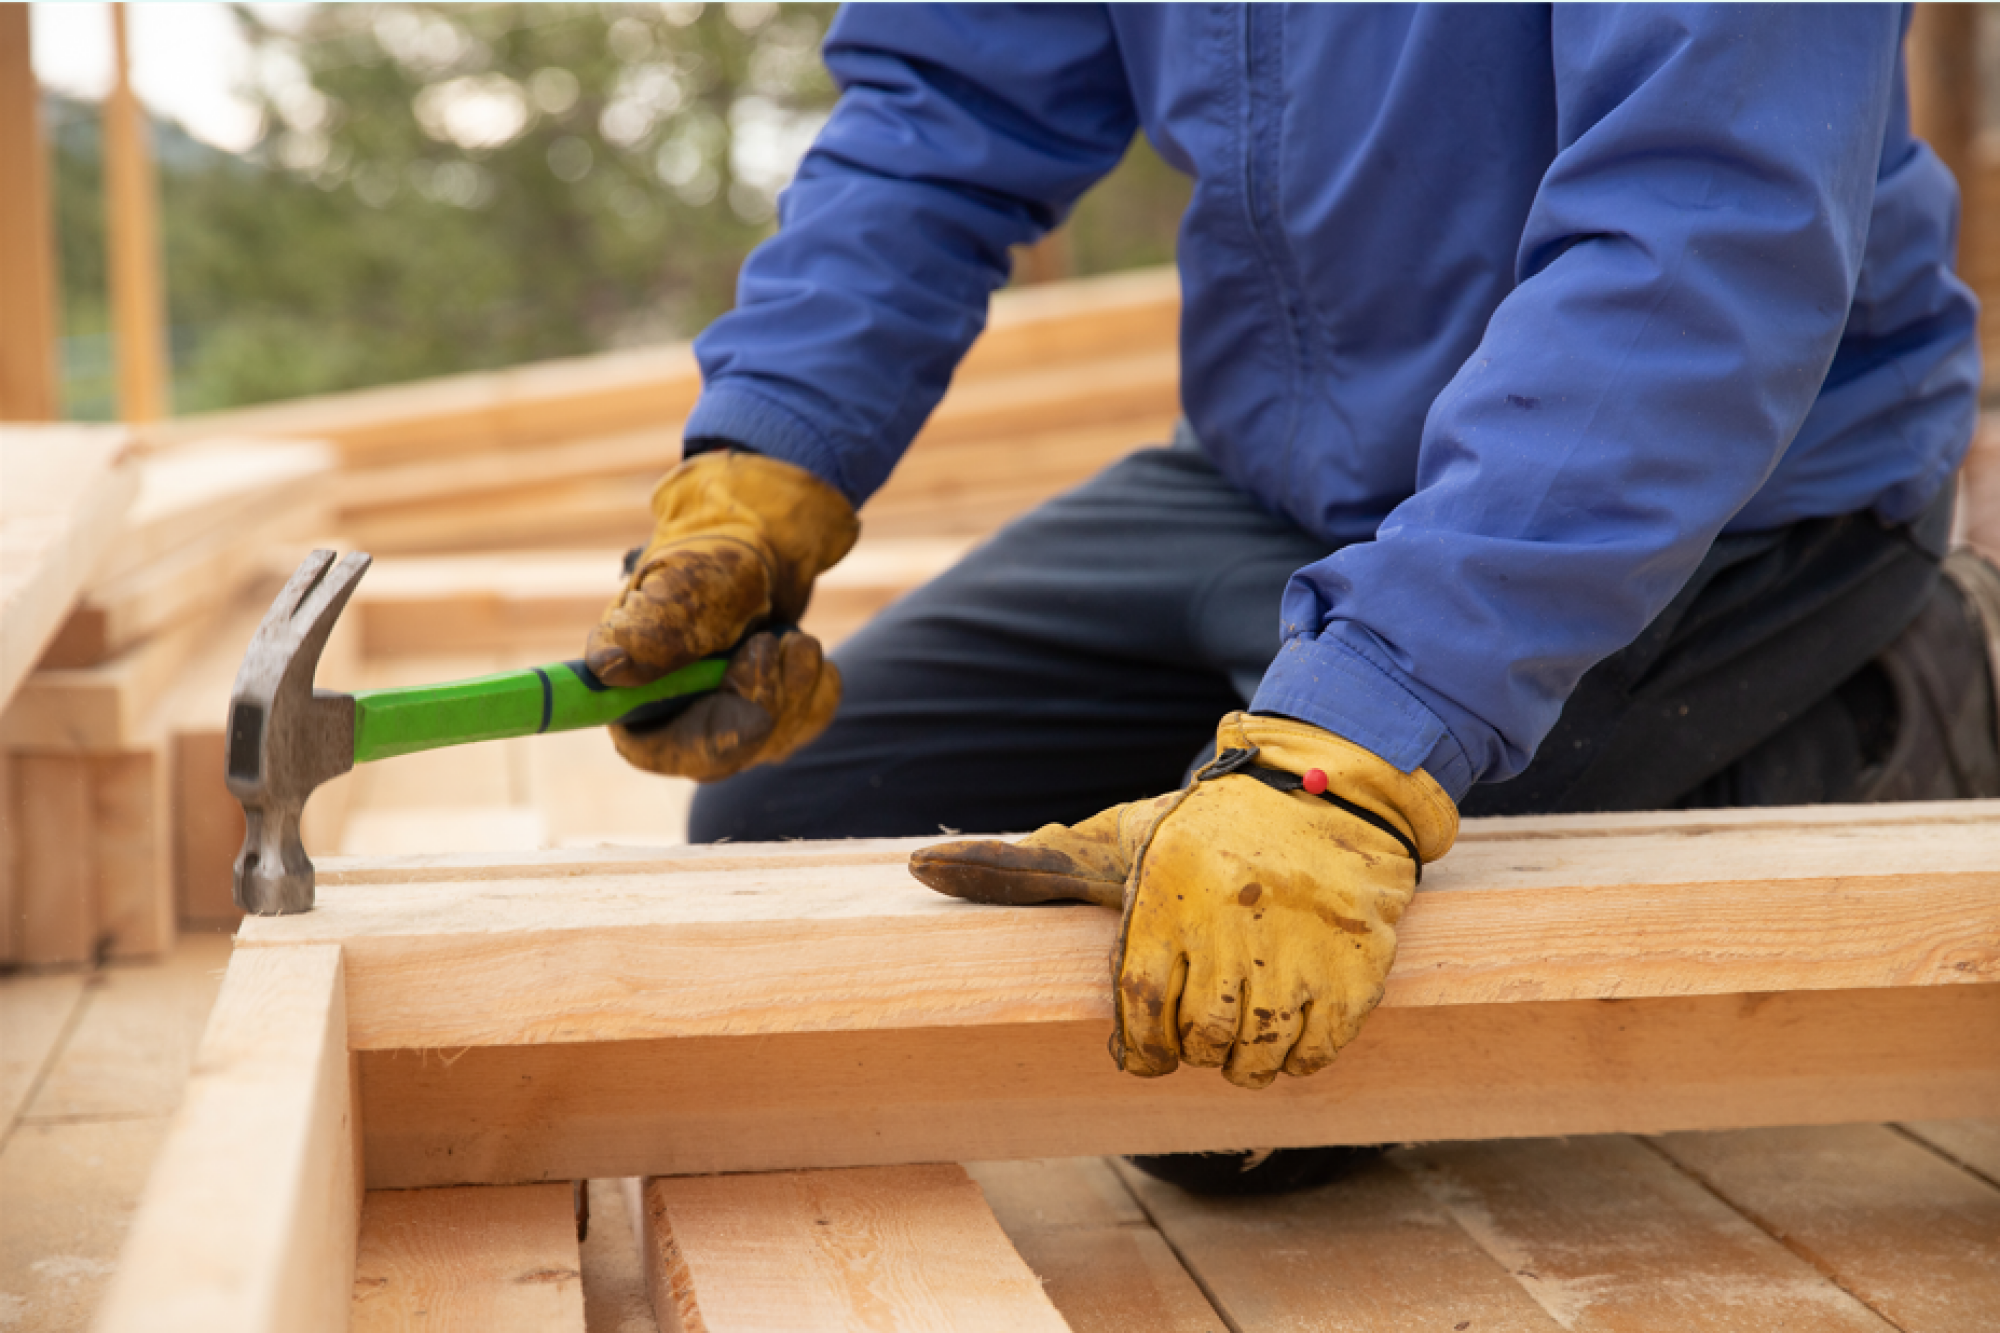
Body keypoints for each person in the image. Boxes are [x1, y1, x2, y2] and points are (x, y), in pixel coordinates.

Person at [583, 4, 2000, 1194]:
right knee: (787, 820)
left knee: (1220, 1091)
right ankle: (1336, 686)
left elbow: (1703, 232)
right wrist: (765, 468)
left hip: (1710, 493)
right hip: (1278, 476)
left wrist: (1364, 736)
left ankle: (1892, 693)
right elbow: (947, 108)